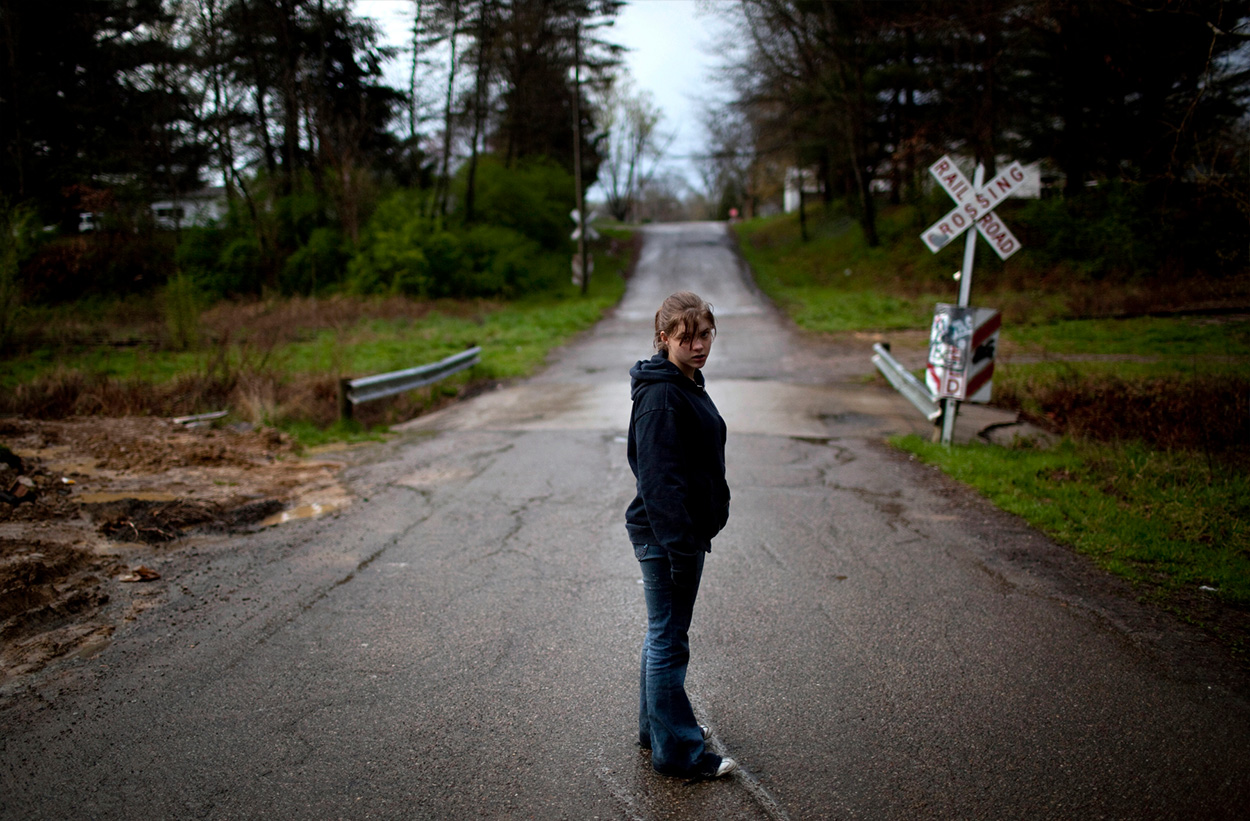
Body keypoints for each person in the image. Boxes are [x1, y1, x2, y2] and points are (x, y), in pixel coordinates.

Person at [626, 290, 736, 779]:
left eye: (705, 335)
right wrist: (679, 545)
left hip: (677, 533)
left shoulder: (684, 383)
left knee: (662, 635)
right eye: (687, 337)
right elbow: (658, 480)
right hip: (669, 536)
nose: (699, 345)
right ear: (664, 337)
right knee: (670, 639)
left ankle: (658, 730)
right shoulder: (662, 395)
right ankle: (680, 753)